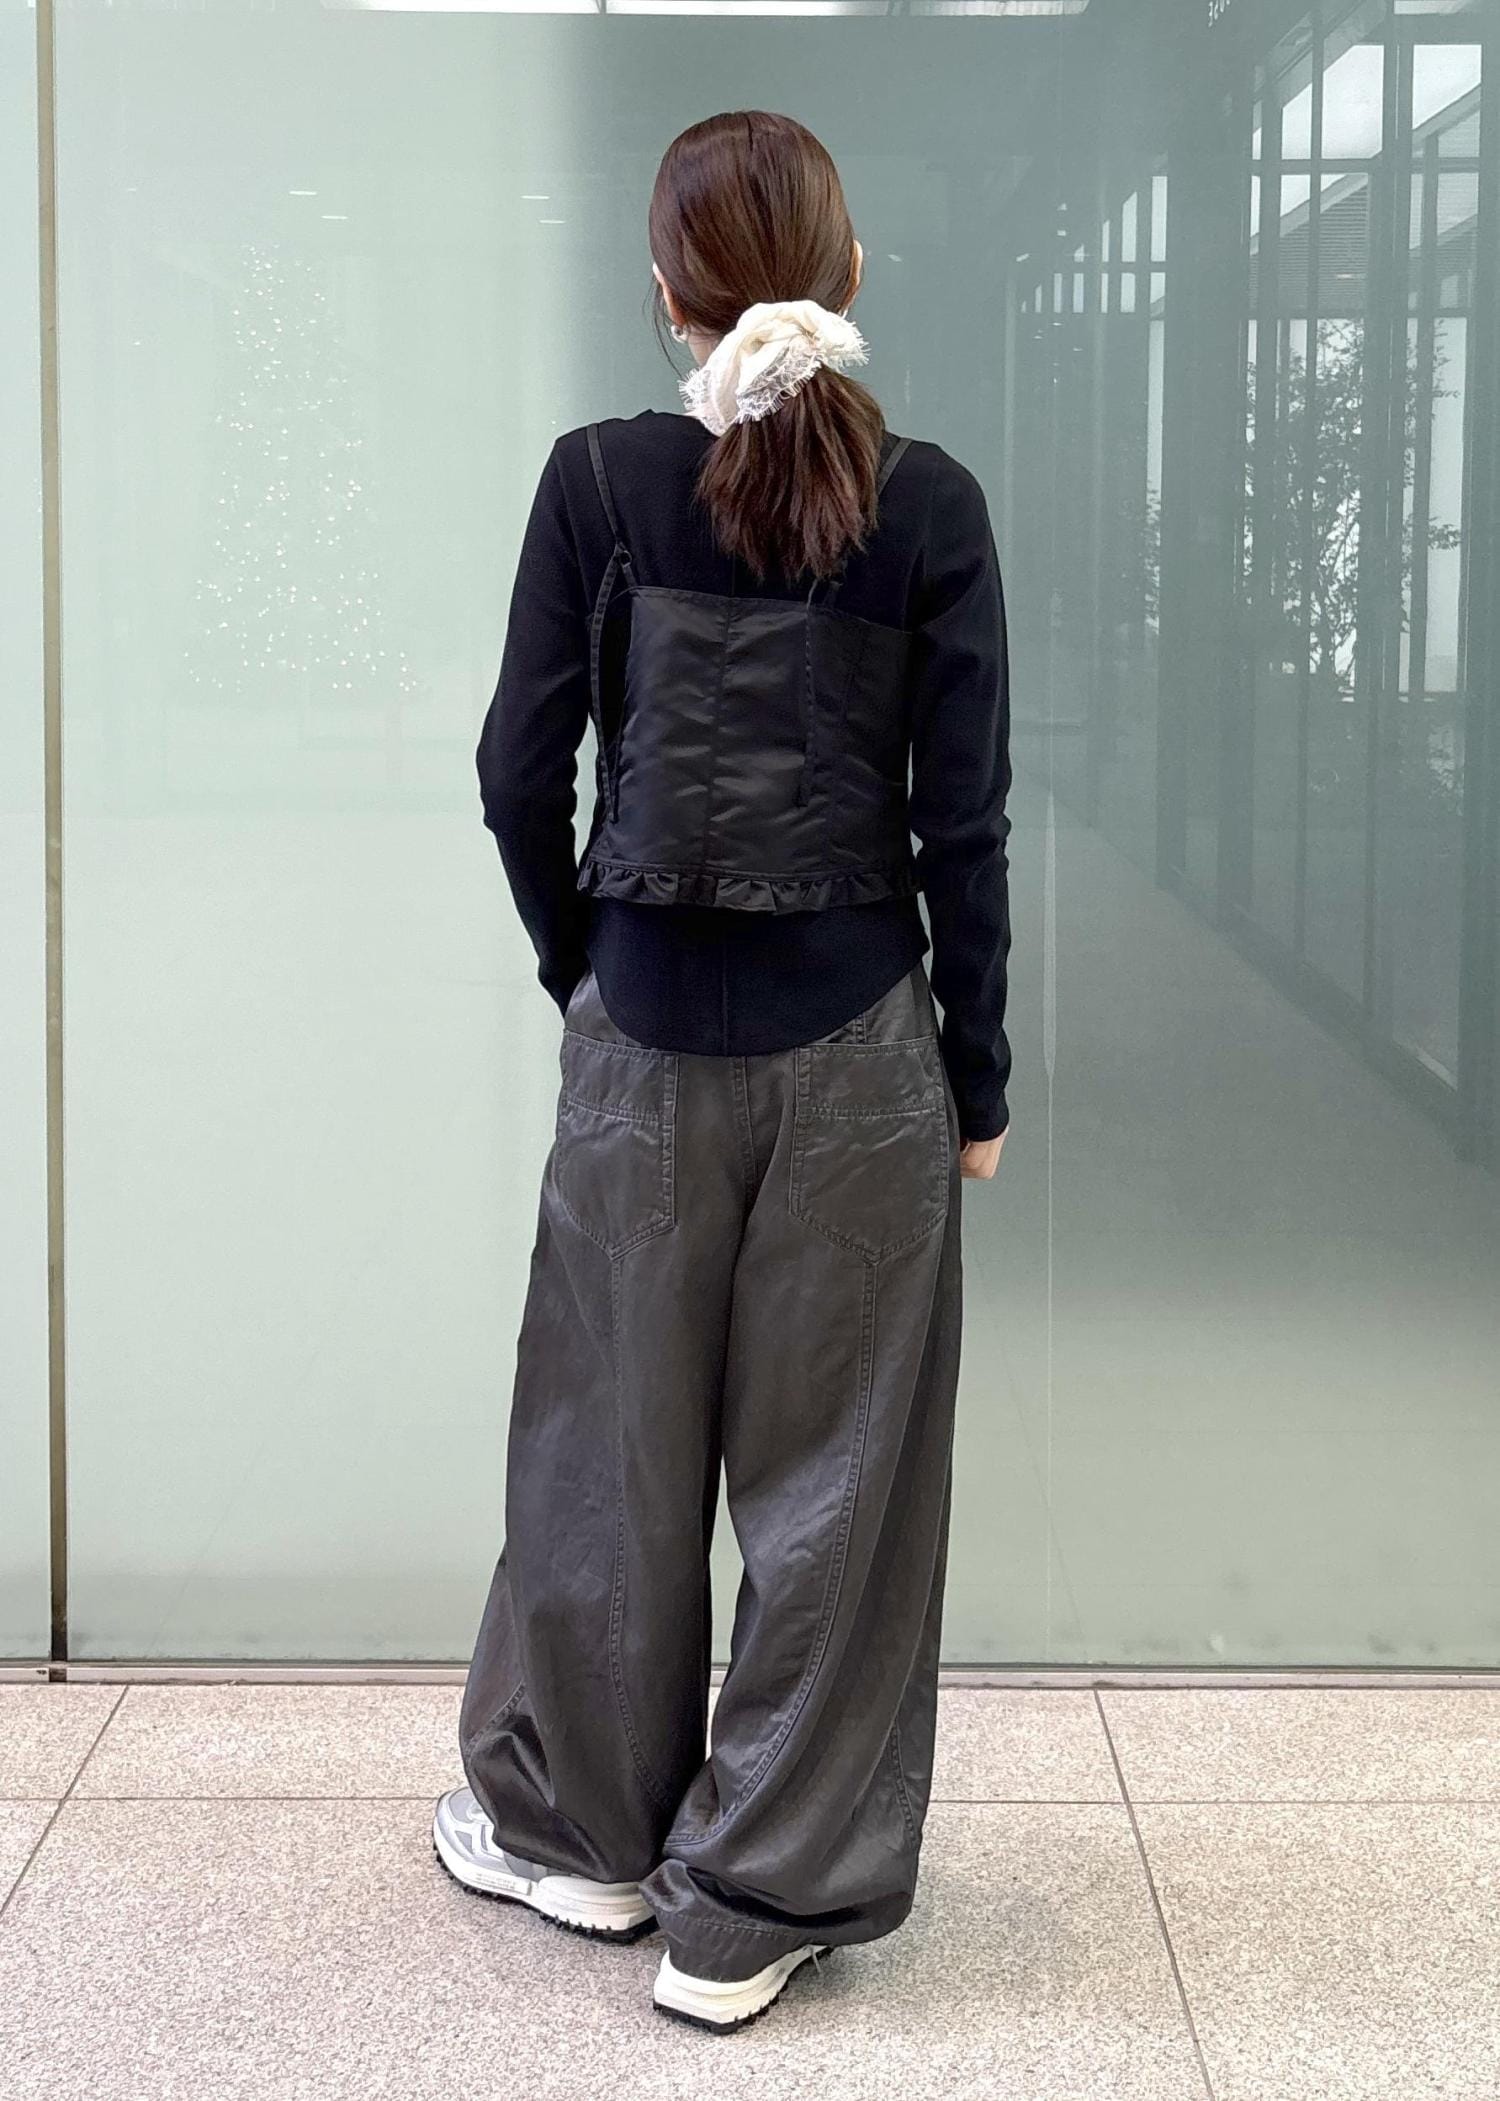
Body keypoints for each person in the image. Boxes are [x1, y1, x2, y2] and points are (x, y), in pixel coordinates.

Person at [434, 108, 1012, 2033]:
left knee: (605, 1440)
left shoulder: (597, 481)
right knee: (837, 1476)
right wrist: (981, 1078)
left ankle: (586, 1833)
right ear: (850, 277)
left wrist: (586, 968)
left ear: (667, 297)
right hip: (862, 1055)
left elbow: (519, 773)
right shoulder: (929, 506)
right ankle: (748, 1904)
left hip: (644, 1046)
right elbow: (964, 829)